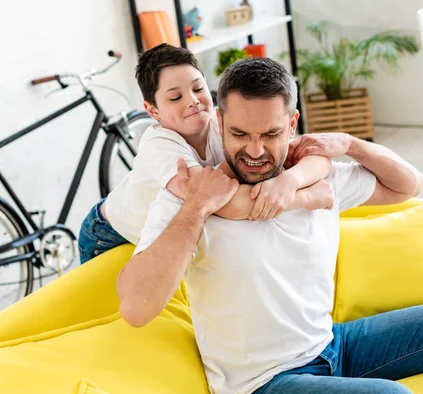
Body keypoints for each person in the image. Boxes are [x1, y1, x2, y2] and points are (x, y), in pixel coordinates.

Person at [117, 57, 423, 394]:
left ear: (292, 125)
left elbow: (408, 184)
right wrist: (197, 207)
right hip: (263, 383)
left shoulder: (312, 176)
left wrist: (350, 144)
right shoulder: (193, 199)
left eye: (271, 133)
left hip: (331, 344)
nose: (255, 150)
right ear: (220, 122)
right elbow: (136, 308)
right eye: (240, 133)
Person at [78, 44, 332, 264]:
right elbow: (219, 203)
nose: (193, 101)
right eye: (175, 97)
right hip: (108, 232)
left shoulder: (222, 124)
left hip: (152, 228)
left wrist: (291, 180)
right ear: (152, 111)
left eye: (198, 88)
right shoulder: (160, 146)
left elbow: (309, 154)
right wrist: (305, 197)